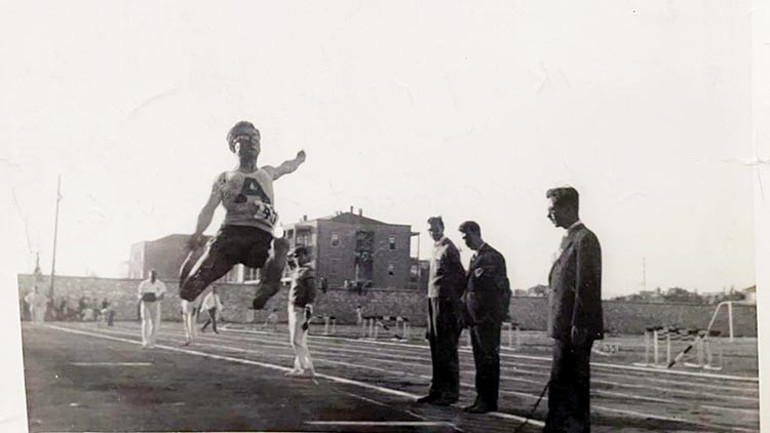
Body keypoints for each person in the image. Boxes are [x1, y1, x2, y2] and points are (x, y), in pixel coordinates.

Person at [178, 121, 306, 314]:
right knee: (188, 291)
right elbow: (209, 208)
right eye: (245, 138)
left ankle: (267, 286)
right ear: (233, 146)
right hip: (231, 238)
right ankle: (194, 267)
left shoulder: (267, 173)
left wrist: (299, 159)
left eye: (255, 138)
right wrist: (197, 234)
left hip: (260, 239)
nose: (252, 142)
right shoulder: (225, 178)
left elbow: (287, 167)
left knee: (281, 244)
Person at [544, 187, 603, 433]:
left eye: (552, 210)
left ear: (568, 208)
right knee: (560, 382)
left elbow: (586, 286)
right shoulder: (568, 239)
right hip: (564, 325)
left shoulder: (585, 239)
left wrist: (579, 324)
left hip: (574, 328)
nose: (548, 215)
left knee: (573, 385)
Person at [458, 221, 510, 414]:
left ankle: (488, 401)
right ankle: (481, 398)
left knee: (488, 359)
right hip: (475, 318)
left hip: (487, 318)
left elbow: (502, 289)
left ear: (475, 233)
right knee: (480, 360)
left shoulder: (493, 257)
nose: (465, 242)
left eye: (466, 237)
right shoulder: (475, 258)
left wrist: (497, 314)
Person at [417, 216, 466, 406]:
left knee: (447, 349)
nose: (433, 232)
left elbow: (460, 277)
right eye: (430, 229)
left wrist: (451, 300)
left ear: (442, 228)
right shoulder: (436, 248)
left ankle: (450, 392)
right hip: (433, 300)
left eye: (436, 228)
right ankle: (436, 390)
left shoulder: (449, 248)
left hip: (445, 303)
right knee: (435, 347)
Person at [284, 246, 317, 378]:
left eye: (299, 256)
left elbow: (312, 290)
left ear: (305, 256)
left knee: (296, 340)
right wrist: (289, 256)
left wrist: (309, 306)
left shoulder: (308, 272)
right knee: (298, 340)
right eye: (295, 256)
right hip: (293, 307)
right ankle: (300, 367)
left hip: (300, 308)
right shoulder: (298, 270)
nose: (296, 259)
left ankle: (306, 368)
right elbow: (289, 263)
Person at [137, 270, 167, 348]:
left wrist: (155, 297)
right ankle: (145, 341)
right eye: (151, 276)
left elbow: (162, 295)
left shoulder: (160, 284)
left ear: (156, 276)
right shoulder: (144, 283)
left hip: (155, 303)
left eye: (154, 276)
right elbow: (139, 294)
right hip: (145, 303)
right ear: (149, 275)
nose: (152, 277)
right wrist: (144, 297)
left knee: (155, 322)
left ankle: (152, 342)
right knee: (145, 321)